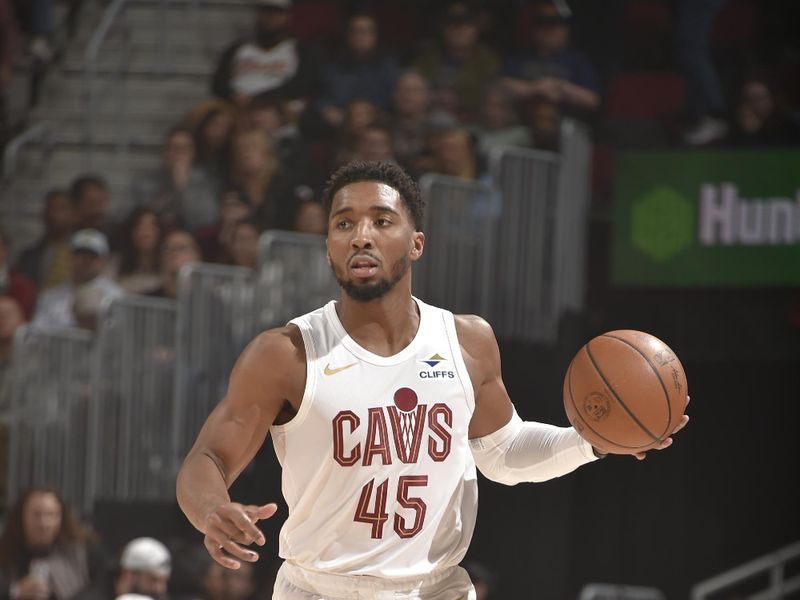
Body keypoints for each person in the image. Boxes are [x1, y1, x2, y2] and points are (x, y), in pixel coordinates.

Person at [176, 160, 688, 599]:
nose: (361, 235)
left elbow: (504, 454)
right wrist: (212, 510)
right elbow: (207, 459)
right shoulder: (285, 353)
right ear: (329, 247)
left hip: (436, 587)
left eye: (381, 220)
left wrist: (591, 442)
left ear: (416, 242)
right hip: (322, 588)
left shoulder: (467, 340)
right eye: (344, 224)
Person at [0, 487, 109, 600]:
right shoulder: (5, 551)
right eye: (36, 515)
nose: (44, 524)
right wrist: (16, 591)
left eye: (50, 515)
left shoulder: (84, 550)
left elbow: (102, 588)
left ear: (60, 518)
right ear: (22, 517)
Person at [32, 229, 123, 328]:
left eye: (92, 256)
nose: (85, 261)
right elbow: (38, 331)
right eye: (80, 255)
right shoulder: (50, 297)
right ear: (69, 257)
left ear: (103, 261)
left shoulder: (116, 297)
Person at [14, 189, 75, 291]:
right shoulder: (28, 256)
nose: (56, 214)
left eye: (62, 208)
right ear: (44, 214)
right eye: (52, 208)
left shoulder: (82, 253)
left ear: (73, 214)